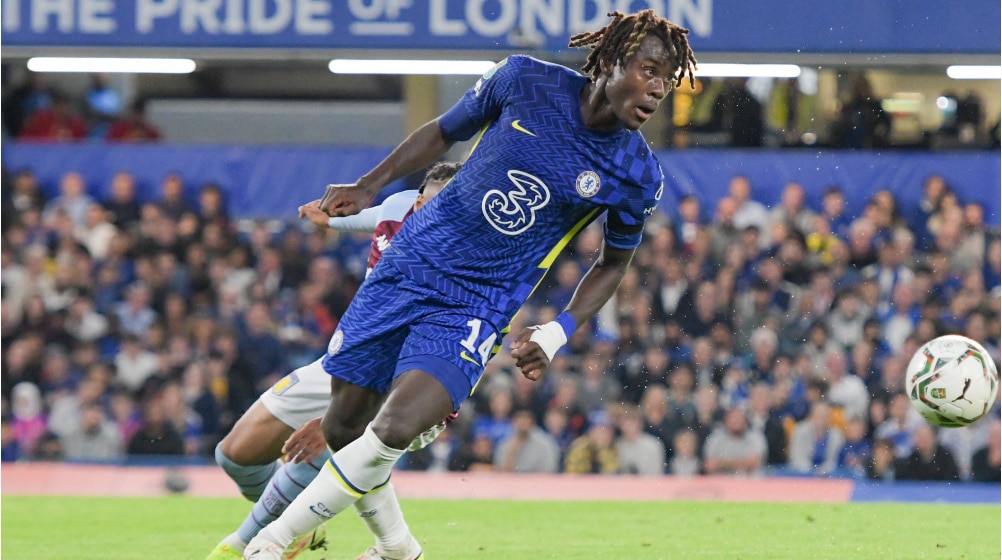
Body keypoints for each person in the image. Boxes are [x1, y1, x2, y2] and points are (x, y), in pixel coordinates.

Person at [243, 9, 696, 560]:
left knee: (395, 427)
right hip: (408, 266)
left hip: (478, 303)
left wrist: (558, 331)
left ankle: (268, 544)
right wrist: (368, 186)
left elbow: (612, 263)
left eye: (667, 81)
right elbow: (442, 131)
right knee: (343, 429)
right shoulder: (524, 79)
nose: (658, 90)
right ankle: (399, 549)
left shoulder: (637, 172)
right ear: (613, 61)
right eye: (649, 71)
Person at [204, 163, 459, 560]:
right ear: (418, 200)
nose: (431, 211)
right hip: (351, 359)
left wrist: (336, 418)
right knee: (236, 454)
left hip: (409, 384)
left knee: (333, 446)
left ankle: (246, 544)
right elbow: (372, 216)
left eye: (447, 206)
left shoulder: (463, 260)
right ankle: (386, 546)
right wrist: (331, 219)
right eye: (427, 202)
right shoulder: (401, 206)